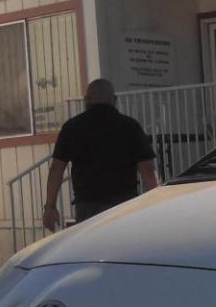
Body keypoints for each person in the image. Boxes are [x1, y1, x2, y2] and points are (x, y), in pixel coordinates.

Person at [42, 79, 158, 231]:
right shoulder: (130, 127)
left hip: (87, 206)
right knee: (123, 251)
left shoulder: (72, 127)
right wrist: (155, 205)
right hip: (124, 204)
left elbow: (57, 168)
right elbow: (148, 171)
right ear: (114, 100)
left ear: (86, 100)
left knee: (91, 252)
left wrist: (50, 207)